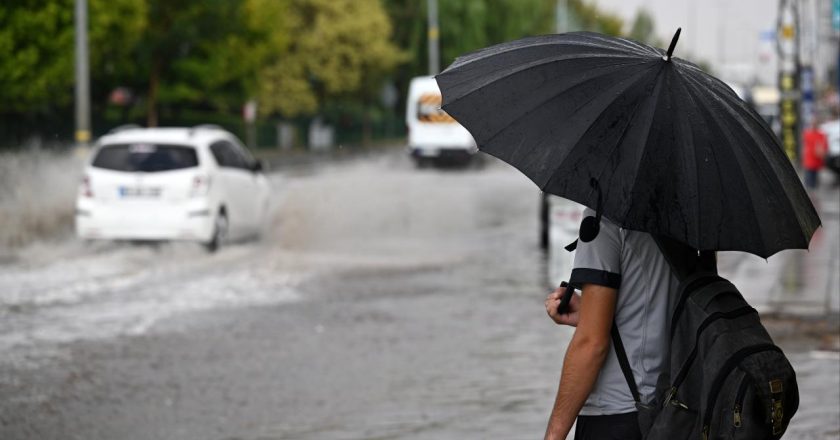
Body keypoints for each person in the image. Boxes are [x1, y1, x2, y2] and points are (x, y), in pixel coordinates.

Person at [542, 208, 678, 440]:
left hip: (615, 415)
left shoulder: (604, 219)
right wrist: (590, 313)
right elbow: (661, 308)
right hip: (674, 410)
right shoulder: (686, 219)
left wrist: (553, 436)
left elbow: (591, 344)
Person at [802, 119, 828, 189]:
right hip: (810, 159)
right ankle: (811, 191)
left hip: (816, 159)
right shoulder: (807, 134)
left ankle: (812, 192)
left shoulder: (820, 135)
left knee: (814, 177)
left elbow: (825, 147)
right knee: (810, 177)